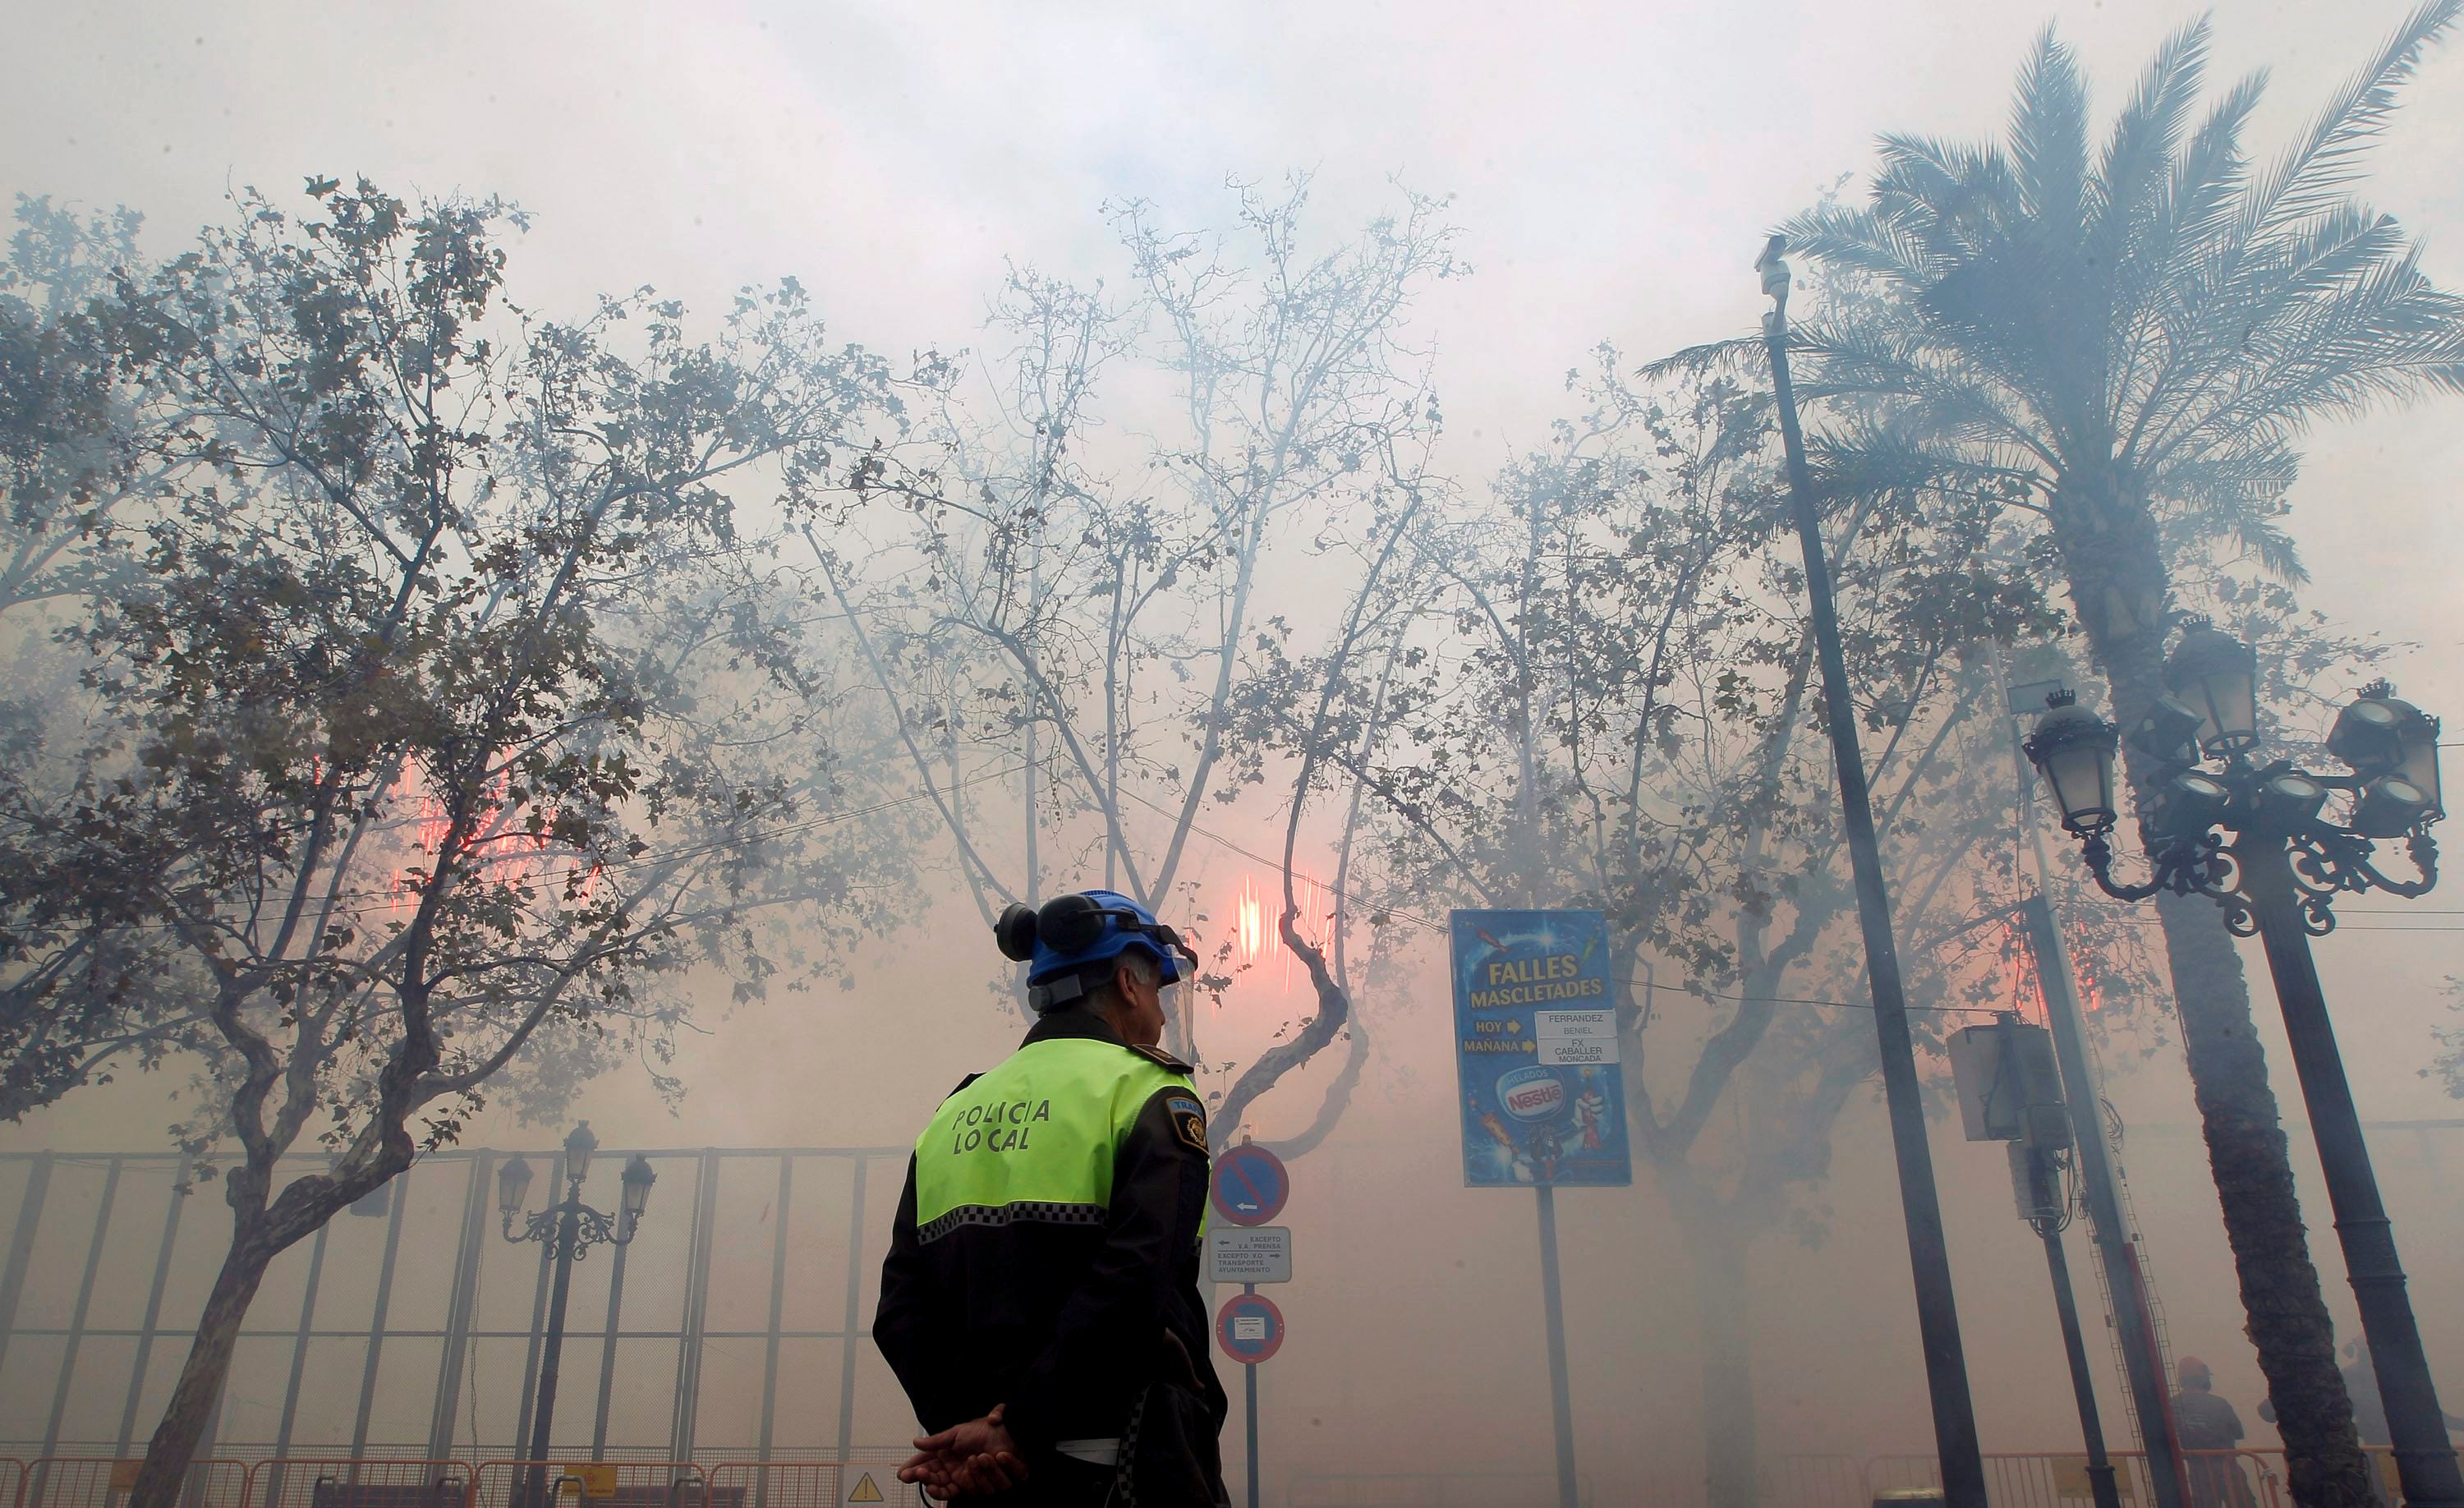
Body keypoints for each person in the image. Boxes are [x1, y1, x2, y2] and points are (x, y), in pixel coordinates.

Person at [876, 889, 1230, 1505]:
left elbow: (902, 1306)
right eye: (1157, 991)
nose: (1164, 1015)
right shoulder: (1148, 1094)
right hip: (1126, 1466)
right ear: (1127, 981)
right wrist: (1017, 1427)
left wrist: (969, 1431)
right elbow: (1135, 1283)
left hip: (990, 1479)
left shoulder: (954, 1112)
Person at [2172, 1356, 2256, 1508]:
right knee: (2242, 1503)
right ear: (2203, 1378)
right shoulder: (2219, 1403)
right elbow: (2238, 1432)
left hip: (2197, 1470)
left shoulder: (2172, 1405)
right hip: (2227, 1467)